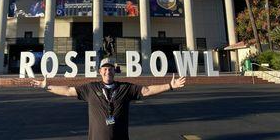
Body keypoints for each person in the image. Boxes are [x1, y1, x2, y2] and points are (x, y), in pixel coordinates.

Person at [30, 58, 186, 140]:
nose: (107, 72)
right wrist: (46, 86)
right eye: (105, 69)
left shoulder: (125, 88)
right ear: (100, 71)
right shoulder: (90, 88)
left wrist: (170, 85)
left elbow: (147, 90)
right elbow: (67, 91)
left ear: (114, 71)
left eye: (110, 69)